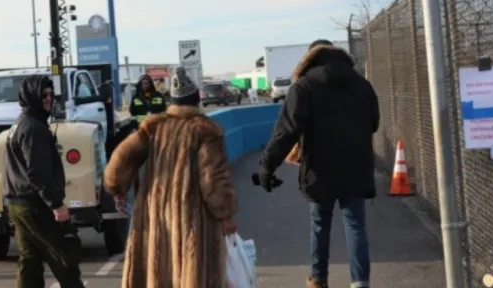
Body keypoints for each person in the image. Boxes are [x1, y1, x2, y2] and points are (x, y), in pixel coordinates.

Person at [257, 39, 380, 288]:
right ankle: (360, 283)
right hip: (356, 168)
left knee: (320, 225)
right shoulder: (362, 85)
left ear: (310, 58)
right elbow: (374, 122)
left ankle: (318, 279)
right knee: (356, 226)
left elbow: (286, 132)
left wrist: (268, 166)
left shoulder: (304, 87)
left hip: (319, 170)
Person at [104, 66, 238, 288]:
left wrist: (117, 190)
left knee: (158, 271)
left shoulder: (154, 127)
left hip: (154, 214)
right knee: (191, 271)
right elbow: (213, 177)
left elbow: (121, 159)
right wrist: (226, 214)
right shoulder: (206, 130)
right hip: (191, 216)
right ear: (197, 100)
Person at [3, 75, 85, 288]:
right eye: (43, 95)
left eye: (51, 94)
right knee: (63, 258)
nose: (49, 99)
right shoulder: (34, 129)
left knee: (29, 262)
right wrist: (56, 204)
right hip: (34, 205)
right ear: (31, 96)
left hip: (17, 204)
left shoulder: (20, 124)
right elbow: (37, 173)